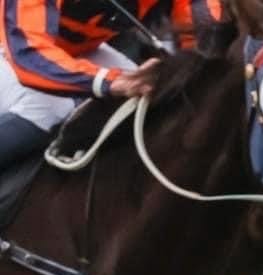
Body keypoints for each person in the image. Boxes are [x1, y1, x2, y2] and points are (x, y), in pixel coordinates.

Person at [0, 0, 224, 171]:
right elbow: (27, 54)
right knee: (50, 107)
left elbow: (205, 34)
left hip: (76, 50)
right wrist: (108, 82)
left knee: (143, 101)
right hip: (12, 47)